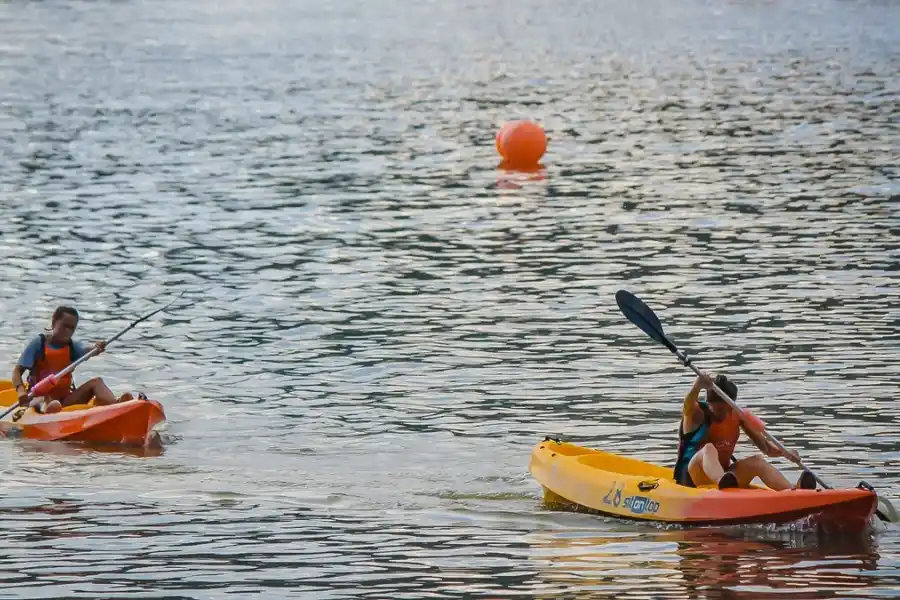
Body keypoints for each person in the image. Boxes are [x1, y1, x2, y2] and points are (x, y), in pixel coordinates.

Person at [674, 373, 816, 490]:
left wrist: (786, 452)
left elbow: (766, 448)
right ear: (709, 404)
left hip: (727, 478)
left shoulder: (737, 415)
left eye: (728, 409)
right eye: (719, 410)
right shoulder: (698, 414)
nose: (725, 415)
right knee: (709, 449)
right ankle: (721, 481)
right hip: (693, 479)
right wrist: (697, 386)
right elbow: (687, 406)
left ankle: (793, 491)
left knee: (757, 461)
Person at [11, 306, 134, 414]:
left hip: (65, 399)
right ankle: (49, 412)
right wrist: (21, 391)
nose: (68, 332)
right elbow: (17, 372)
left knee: (97, 382)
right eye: (64, 326)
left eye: (72, 328)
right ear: (54, 322)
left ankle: (117, 405)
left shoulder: (72, 347)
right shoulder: (39, 343)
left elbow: (87, 350)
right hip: (39, 398)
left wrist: (97, 347)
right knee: (45, 399)